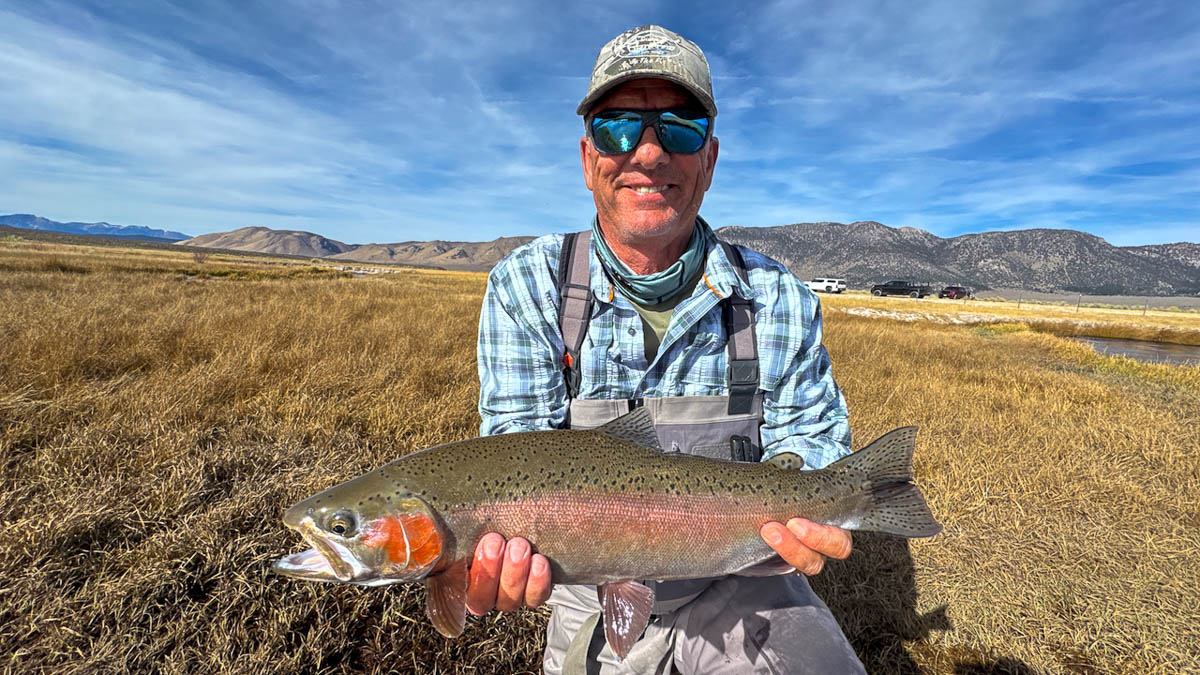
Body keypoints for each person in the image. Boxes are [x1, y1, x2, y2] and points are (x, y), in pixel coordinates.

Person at [472, 25, 863, 674]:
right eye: (617, 127)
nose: (648, 153)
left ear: (709, 159)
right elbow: (511, 450)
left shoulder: (779, 297)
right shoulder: (525, 286)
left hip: (746, 575)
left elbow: (813, 435)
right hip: (589, 589)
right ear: (586, 156)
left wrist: (809, 498)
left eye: (678, 127)